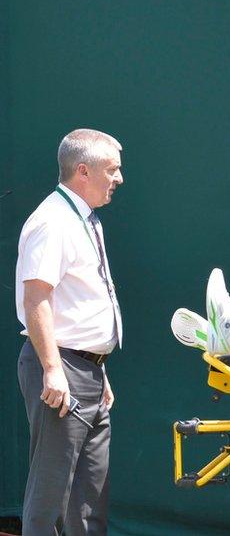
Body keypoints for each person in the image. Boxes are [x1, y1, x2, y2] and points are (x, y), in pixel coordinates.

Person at [15, 129, 124, 535]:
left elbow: (74, 304)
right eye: (112, 169)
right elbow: (37, 299)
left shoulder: (84, 219)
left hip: (87, 371)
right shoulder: (53, 220)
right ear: (83, 170)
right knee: (52, 494)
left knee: (89, 496)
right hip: (62, 370)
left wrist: (98, 366)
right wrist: (54, 369)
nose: (119, 178)